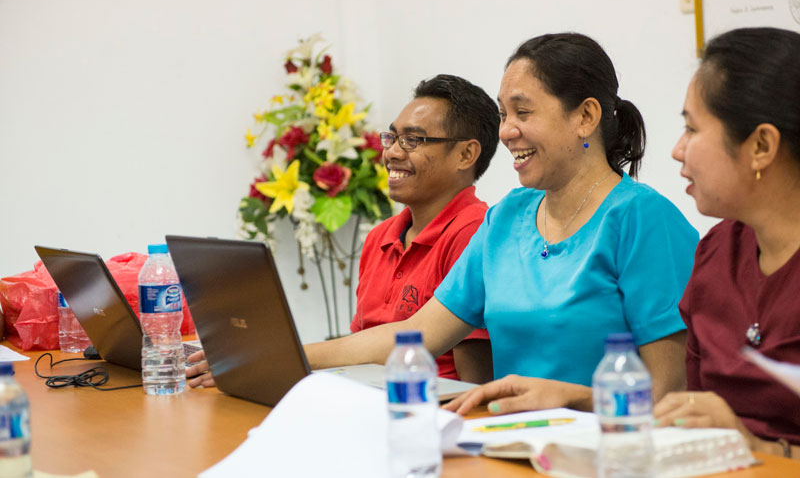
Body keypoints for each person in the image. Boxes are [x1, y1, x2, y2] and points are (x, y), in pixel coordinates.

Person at [303, 33, 697, 415]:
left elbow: (669, 398)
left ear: (585, 116)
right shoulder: (507, 218)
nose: (506, 131)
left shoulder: (643, 220)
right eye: (504, 113)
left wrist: (574, 397)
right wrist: (292, 356)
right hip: (510, 444)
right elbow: (415, 335)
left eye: (523, 112)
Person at [188, 74, 501, 386]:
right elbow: (360, 351)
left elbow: (473, 384)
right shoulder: (381, 237)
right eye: (391, 138)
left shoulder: (474, 232)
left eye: (412, 140)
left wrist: (271, 356)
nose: (391, 152)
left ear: (465, 155)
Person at [654, 27, 800, 460]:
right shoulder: (718, 252)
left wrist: (761, 449)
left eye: (691, 129)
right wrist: (578, 401)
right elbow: (691, 414)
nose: (678, 150)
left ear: (761, 146)